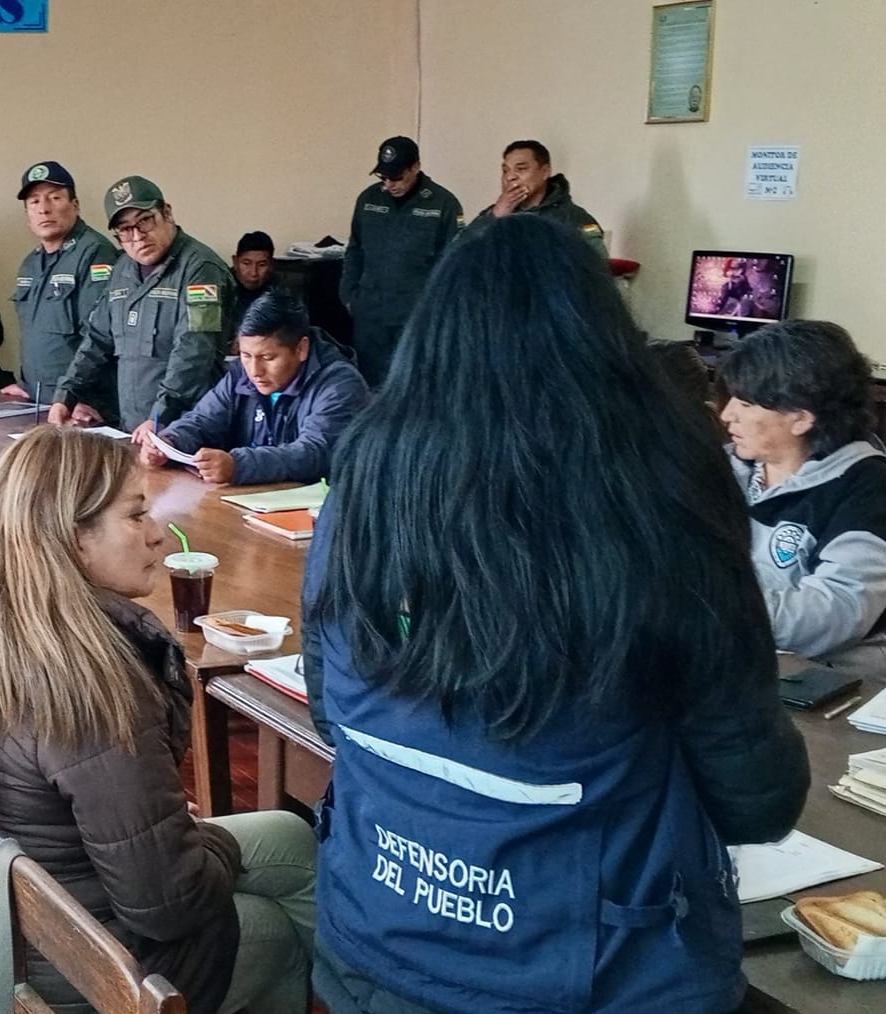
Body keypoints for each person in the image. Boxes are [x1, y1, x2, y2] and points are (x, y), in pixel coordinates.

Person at [302, 215, 808, 1013]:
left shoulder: (364, 480)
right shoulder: (663, 495)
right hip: (595, 972)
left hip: (374, 933)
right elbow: (757, 801)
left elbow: (330, 707)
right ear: (604, 337)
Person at [0, 426, 316, 1014]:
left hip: (7, 911)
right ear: (74, 539)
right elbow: (166, 904)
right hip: (79, 962)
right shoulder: (91, 679)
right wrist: (206, 845)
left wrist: (178, 834)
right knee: (275, 930)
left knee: (291, 836)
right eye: (136, 516)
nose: (157, 537)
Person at [721, 320, 886, 677]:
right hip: (734, 657)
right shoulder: (723, 467)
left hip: (829, 682)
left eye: (746, 404)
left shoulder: (867, 489)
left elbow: (837, 612)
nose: (726, 415)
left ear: (800, 418)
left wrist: (710, 608)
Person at [48, 175, 237, 438]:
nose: (137, 237)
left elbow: (194, 352)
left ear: (166, 213)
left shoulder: (201, 270)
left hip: (186, 427)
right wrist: (65, 396)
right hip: (134, 427)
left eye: (145, 220)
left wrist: (160, 416)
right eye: (125, 229)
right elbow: (98, 340)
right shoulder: (123, 269)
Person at [142, 294, 369, 485]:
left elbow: (315, 452)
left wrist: (239, 465)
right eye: (246, 355)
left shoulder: (340, 385)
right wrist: (170, 442)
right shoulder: (241, 373)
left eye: (268, 357)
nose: (254, 370)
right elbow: (202, 420)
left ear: (301, 348)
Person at [339, 136, 464, 385]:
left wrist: (436, 311)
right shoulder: (368, 200)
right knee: (369, 388)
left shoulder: (443, 204)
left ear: (415, 167)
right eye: (383, 178)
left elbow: (453, 264)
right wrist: (349, 295)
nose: (389, 185)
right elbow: (355, 250)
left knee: (413, 387)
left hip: (416, 317)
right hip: (370, 317)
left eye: (397, 177)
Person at [0, 160, 119, 419]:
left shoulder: (95, 253)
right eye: (34, 202)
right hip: (39, 401)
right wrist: (26, 385)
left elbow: (100, 337)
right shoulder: (31, 263)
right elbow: (36, 336)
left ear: (75, 206)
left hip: (78, 406)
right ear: (27, 214)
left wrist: (85, 399)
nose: (44, 209)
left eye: (55, 198)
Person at [472, 140, 606, 260]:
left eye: (521, 169)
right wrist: (494, 217)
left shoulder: (573, 218)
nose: (510, 177)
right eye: (505, 171)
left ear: (545, 172)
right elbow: (458, 253)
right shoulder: (493, 214)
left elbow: (598, 275)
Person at [225, 230, 279, 353]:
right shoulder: (220, 286)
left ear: (271, 264)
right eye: (246, 263)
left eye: (261, 265)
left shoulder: (281, 293)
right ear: (235, 261)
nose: (253, 273)